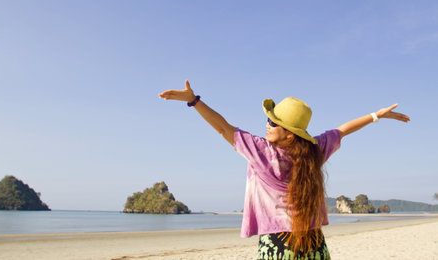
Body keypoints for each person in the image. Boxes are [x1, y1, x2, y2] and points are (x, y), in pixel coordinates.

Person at [158, 80, 410, 260]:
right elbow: (343, 129)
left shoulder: (261, 152)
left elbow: (224, 128)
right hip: (315, 244)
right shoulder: (315, 152)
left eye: (273, 122)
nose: (266, 124)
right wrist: (376, 115)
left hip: (278, 246)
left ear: (289, 135)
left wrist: (193, 100)